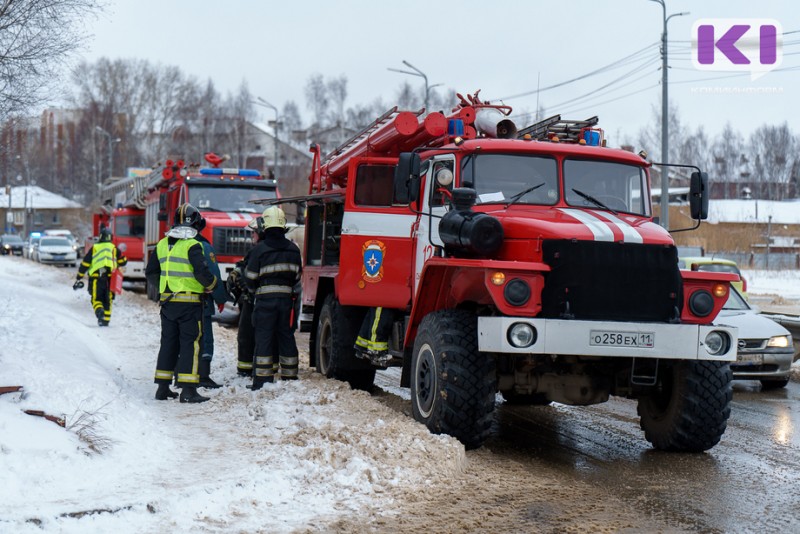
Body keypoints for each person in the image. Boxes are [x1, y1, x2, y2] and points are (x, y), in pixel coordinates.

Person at [145, 203, 218, 403]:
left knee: (168, 343)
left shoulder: (161, 244)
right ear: (195, 222)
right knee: (190, 345)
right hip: (190, 305)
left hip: (168, 304)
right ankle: (188, 390)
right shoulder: (192, 244)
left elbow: (151, 272)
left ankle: (162, 387)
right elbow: (201, 272)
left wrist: (165, 288)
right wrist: (211, 284)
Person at [244, 206, 302, 389]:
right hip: (287, 301)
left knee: (264, 337)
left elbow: (250, 278)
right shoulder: (294, 250)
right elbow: (297, 277)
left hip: (265, 301)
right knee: (286, 336)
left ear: (265, 226)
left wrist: (255, 292)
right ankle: (290, 376)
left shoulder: (259, 250)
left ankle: (262, 379)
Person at [194, 216, 228, 389]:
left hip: (176, 302)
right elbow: (213, 273)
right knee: (205, 338)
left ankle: (180, 375)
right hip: (201, 302)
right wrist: (220, 298)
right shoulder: (204, 246)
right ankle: (203, 375)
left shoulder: (171, 245)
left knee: (183, 339)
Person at [73, 227, 127, 326]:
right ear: (111, 237)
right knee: (108, 299)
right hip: (110, 279)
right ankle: (105, 320)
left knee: (96, 298)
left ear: (101, 237)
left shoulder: (95, 248)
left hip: (96, 278)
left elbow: (85, 264)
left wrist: (79, 277)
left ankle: (99, 311)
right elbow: (123, 262)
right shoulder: (114, 248)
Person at [228, 218, 259, 377]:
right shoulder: (258, 250)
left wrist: (246, 288)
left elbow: (251, 274)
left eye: (254, 232)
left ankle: (246, 369)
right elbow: (245, 264)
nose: (252, 235)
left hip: (255, 299)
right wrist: (238, 270)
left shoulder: (259, 250)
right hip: (269, 300)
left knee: (247, 335)